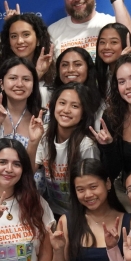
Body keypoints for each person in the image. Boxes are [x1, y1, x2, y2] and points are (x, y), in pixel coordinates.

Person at [37, 82, 98, 216]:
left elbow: (93, 188)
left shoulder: (86, 145)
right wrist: (33, 141)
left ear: (83, 113)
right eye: (62, 103)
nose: (66, 110)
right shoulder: (44, 133)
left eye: (75, 106)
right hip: (53, 210)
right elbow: (29, 170)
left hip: (80, 213)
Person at [0, 55, 45, 149]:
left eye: (26, 79)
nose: (19, 84)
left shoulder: (43, 118)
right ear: (1, 83)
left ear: (34, 85)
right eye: (13, 78)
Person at [93, 21, 131, 100]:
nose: (107, 47)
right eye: (102, 42)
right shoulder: (96, 75)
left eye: (114, 42)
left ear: (125, 44)